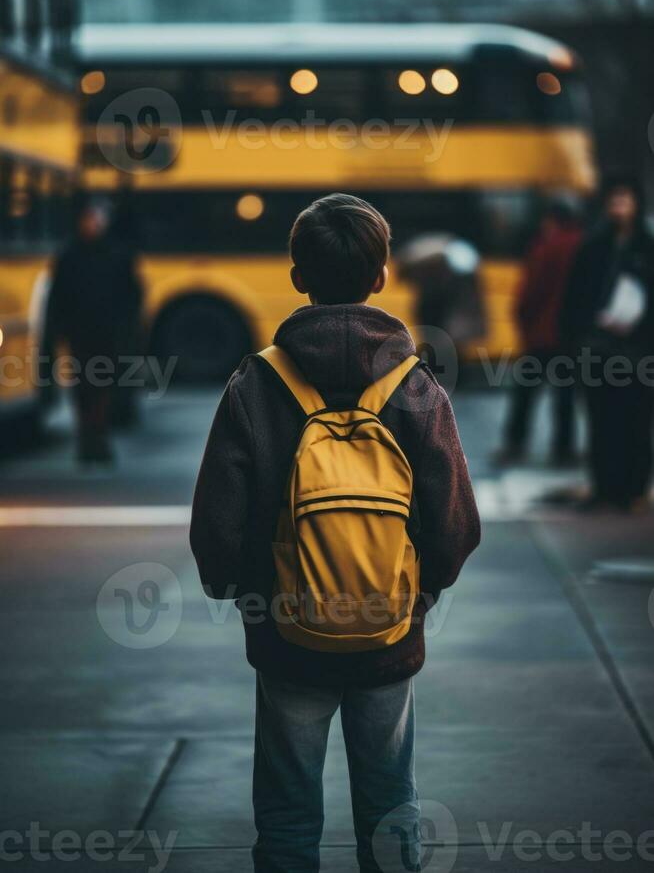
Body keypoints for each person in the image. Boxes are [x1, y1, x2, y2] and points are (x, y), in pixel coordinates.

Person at [190, 193, 481, 873]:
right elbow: (454, 523)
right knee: (389, 803)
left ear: (298, 276)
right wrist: (419, 592)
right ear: (382, 276)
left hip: (287, 633)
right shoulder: (416, 387)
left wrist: (245, 593)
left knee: (289, 813)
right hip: (387, 633)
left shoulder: (256, 383)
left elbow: (218, 525)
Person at [560, 177, 654, 511]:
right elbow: (575, 298)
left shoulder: (646, 245)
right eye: (614, 200)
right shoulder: (594, 245)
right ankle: (606, 488)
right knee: (602, 421)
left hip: (639, 350)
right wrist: (574, 343)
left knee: (636, 421)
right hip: (598, 348)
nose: (619, 207)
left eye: (625, 200)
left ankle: (634, 489)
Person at [47, 197, 142, 463]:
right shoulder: (70, 256)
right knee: (84, 388)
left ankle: (95, 439)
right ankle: (89, 440)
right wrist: (60, 330)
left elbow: (132, 297)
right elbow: (58, 297)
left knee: (101, 388)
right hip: (81, 335)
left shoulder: (115, 255)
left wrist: (126, 330)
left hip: (107, 335)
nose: (92, 225)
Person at [498, 201, 583, 465]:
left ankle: (515, 443)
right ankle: (564, 449)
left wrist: (522, 318)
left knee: (525, 394)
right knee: (565, 396)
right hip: (571, 335)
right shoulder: (584, 244)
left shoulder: (547, 245)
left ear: (551, 219)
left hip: (542, 334)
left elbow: (531, 290)